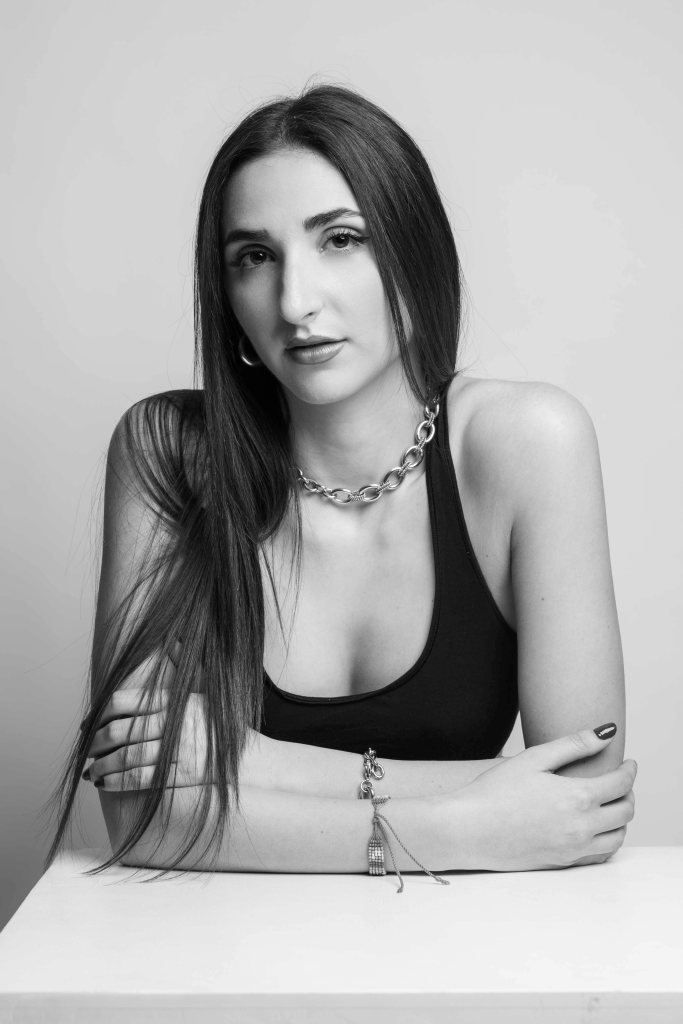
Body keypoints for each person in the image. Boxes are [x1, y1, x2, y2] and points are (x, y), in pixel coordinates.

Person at [47, 84, 636, 882]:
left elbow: (583, 801)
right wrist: (461, 827)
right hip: (214, 947)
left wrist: (246, 760)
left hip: (470, 950)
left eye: (341, 239)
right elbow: (140, 814)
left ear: (412, 250)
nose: (295, 302)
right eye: (254, 257)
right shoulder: (168, 454)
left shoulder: (526, 443)